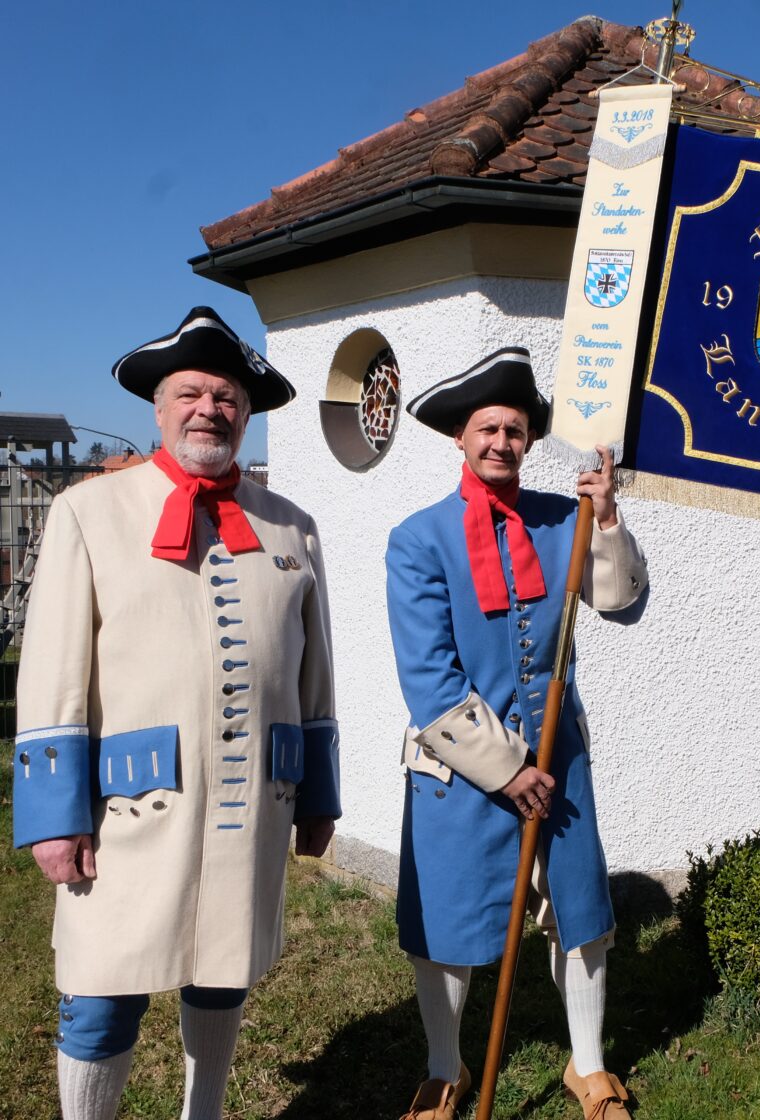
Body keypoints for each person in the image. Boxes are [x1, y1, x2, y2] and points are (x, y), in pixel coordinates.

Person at [12, 306, 341, 1120]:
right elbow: (51, 674)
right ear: (158, 409)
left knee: (222, 971)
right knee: (98, 994)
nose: (209, 410)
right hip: (125, 811)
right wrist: (55, 815)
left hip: (248, 805)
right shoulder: (88, 513)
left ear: (248, 412)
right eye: (190, 393)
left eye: (227, 397)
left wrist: (320, 799)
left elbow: (315, 679)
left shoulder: (292, 526)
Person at [385, 347, 647, 1120]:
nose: (502, 441)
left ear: (529, 439)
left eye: (516, 429)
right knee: (449, 919)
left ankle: (589, 1067)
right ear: (461, 439)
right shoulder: (418, 538)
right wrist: (505, 769)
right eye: (488, 428)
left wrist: (607, 519)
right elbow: (429, 678)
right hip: (460, 766)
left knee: (581, 912)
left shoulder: (563, 518)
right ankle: (445, 1069)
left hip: (559, 758)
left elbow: (620, 599)